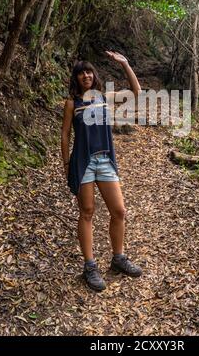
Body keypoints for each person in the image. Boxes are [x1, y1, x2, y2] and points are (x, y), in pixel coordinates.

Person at [61, 50, 143, 292]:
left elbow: (136, 93)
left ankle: (118, 258)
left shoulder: (105, 97)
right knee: (87, 212)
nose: (86, 75)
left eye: (89, 71)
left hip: (105, 160)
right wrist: (66, 164)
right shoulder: (71, 104)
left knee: (119, 211)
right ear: (76, 78)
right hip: (83, 162)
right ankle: (90, 266)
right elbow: (65, 136)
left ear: (94, 76)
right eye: (81, 73)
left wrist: (125, 64)